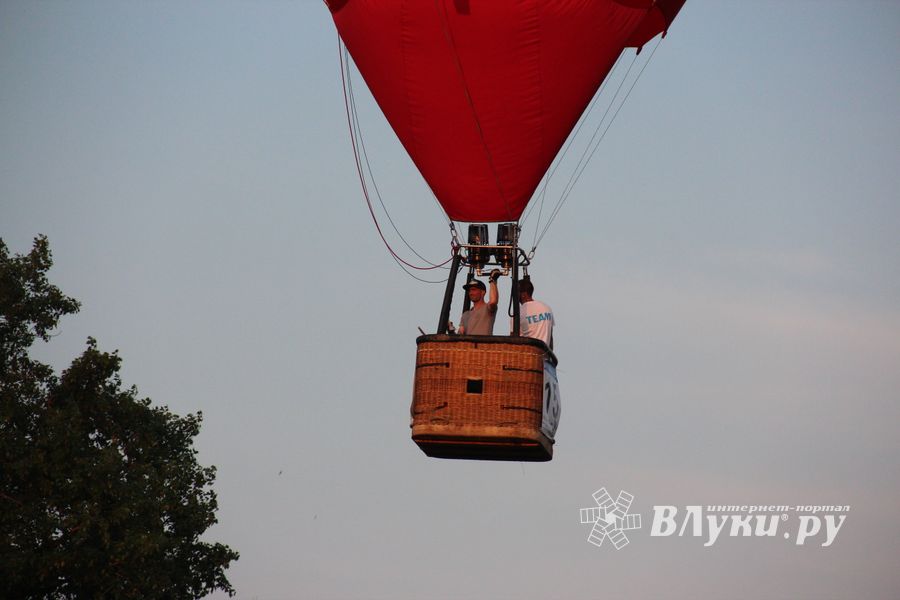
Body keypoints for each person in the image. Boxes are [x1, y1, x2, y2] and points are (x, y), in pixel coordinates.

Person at [515, 277, 554, 348]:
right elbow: (550, 339)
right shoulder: (546, 308)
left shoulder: (518, 313)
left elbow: (513, 341)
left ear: (523, 294)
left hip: (529, 355)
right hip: (544, 354)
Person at [458, 271, 499, 335]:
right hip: (468, 345)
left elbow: (493, 301)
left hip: (483, 344)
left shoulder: (487, 308)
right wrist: (450, 330)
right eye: (470, 291)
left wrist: (492, 281)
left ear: (483, 292)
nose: (471, 293)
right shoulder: (465, 314)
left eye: (474, 290)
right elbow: (460, 334)